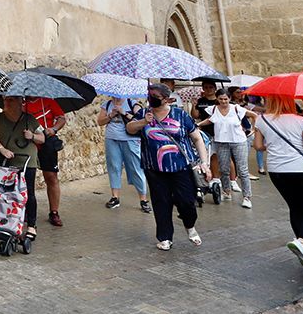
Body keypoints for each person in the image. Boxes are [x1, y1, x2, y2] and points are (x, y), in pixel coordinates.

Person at [127, 83, 211, 250]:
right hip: (154, 168)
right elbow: (129, 128)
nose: (150, 99)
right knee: (161, 202)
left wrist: (204, 163)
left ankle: (190, 226)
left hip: (181, 167)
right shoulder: (144, 113)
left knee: (187, 202)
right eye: (149, 96)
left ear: (166, 99)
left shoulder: (180, 114)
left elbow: (197, 138)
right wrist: (144, 121)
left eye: (155, 97)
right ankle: (165, 237)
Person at [254, 95, 303, 270]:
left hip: (277, 171)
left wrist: (274, 143)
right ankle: (302, 241)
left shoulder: (262, 120)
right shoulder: (301, 120)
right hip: (301, 170)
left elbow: (258, 146)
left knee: (296, 208)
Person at [0, 95, 44, 238]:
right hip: (8, 160)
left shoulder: (30, 119)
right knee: (5, 193)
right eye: (5, 99)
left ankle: (31, 226)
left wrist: (32, 136)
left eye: (11, 99)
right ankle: (7, 220)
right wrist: (2, 149)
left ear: (21, 102)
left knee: (28, 193)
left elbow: (42, 138)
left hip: (27, 161)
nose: (6, 102)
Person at [198, 90, 255, 208]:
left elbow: (254, 115)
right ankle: (226, 191)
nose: (223, 101)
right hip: (221, 142)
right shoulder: (213, 109)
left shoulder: (236, 108)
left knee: (243, 170)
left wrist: (254, 129)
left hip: (238, 142)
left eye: (225, 99)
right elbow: (210, 119)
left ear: (229, 99)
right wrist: (198, 125)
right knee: (223, 168)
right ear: (217, 99)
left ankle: (247, 197)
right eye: (221, 99)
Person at [97, 94, 150, 212]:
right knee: (114, 167)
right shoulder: (107, 105)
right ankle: (115, 197)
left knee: (136, 168)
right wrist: (111, 115)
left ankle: (143, 199)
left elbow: (140, 119)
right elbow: (100, 122)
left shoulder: (133, 103)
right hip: (111, 139)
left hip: (130, 139)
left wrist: (123, 112)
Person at [25, 96, 67, 226]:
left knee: (51, 177)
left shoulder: (47, 101)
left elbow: (61, 118)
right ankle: (26, 210)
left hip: (47, 143)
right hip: (28, 144)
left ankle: (54, 212)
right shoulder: (21, 103)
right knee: (26, 178)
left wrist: (53, 129)